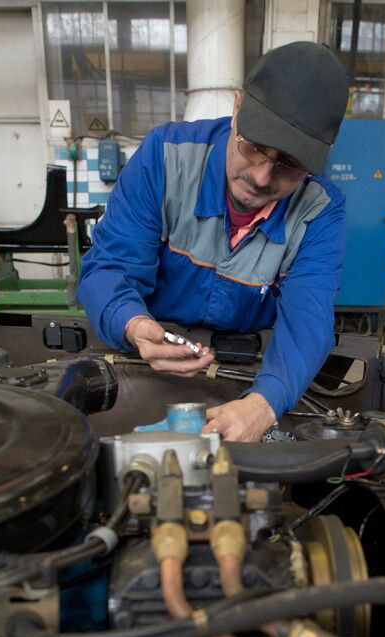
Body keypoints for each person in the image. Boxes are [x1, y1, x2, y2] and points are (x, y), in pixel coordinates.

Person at [77, 41, 349, 442]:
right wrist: (132, 324)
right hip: (146, 363)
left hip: (251, 377)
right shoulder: (165, 158)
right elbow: (108, 268)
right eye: (253, 147)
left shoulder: (320, 210)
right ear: (237, 107)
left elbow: (308, 321)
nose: (260, 177)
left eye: (289, 165)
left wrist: (264, 404)